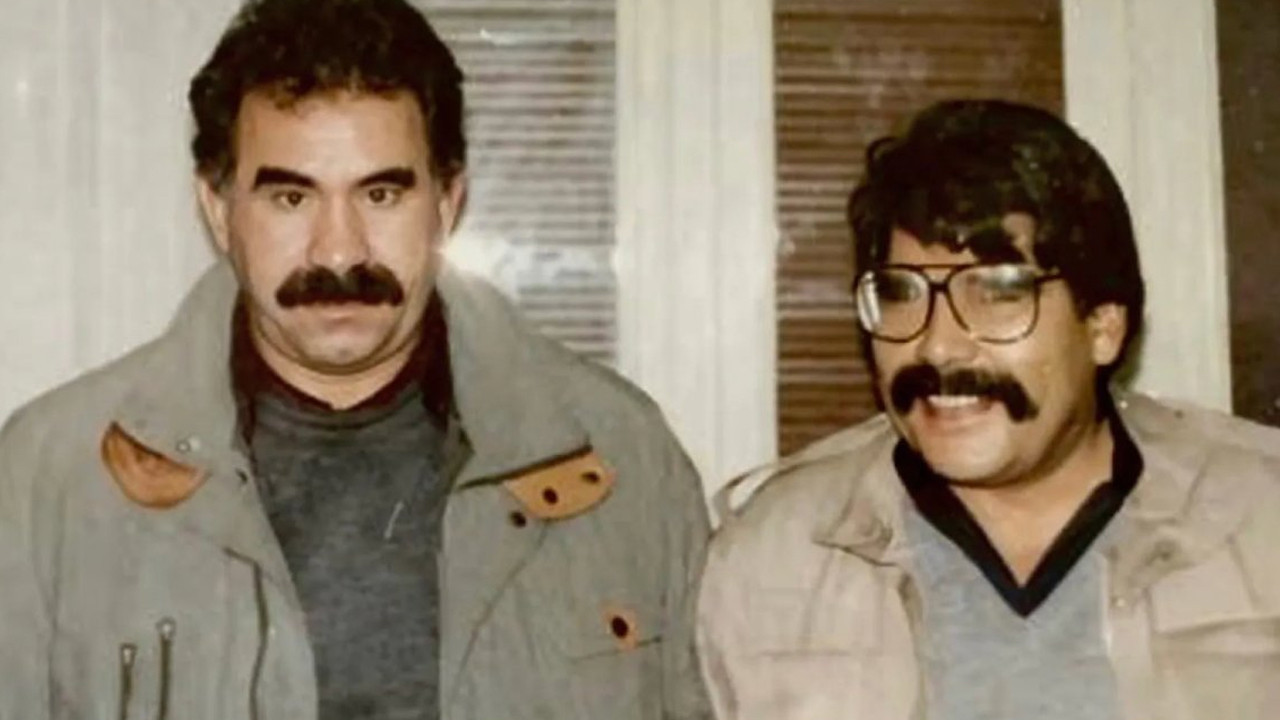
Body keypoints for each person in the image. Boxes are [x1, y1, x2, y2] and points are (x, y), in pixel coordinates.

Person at [0, 0, 712, 717]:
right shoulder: (50, 481)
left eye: (381, 193)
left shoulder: (621, 457)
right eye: (290, 197)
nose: (339, 252)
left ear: (447, 204)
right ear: (218, 211)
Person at [696, 99, 1280, 720]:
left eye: (999, 293)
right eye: (901, 293)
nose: (937, 345)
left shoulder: (1259, 521)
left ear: (1102, 326)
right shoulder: (776, 555)